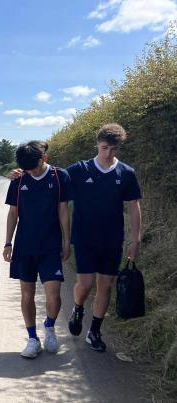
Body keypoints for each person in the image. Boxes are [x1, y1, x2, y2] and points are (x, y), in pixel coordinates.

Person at [66, 124, 142, 352]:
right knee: (85, 284)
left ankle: (94, 331)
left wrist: (135, 239)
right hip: (84, 237)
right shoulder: (80, 169)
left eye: (113, 149)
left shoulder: (126, 173)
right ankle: (78, 308)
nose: (108, 153)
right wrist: (22, 174)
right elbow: (53, 178)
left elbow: (135, 207)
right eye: (104, 147)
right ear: (97, 144)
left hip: (112, 238)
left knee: (106, 285)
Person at [3, 141, 72, 358]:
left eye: (34, 166)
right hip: (24, 247)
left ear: (45, 159)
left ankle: (49, 327)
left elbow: (63, 211)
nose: (30, 171)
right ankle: (32, 339)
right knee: (27, 293)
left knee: (54, 294)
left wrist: (66, 240)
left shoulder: (61, 177)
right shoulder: (18, 179)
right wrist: (7, 242)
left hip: (51, 246)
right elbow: (13, 213)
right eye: (26, 168)